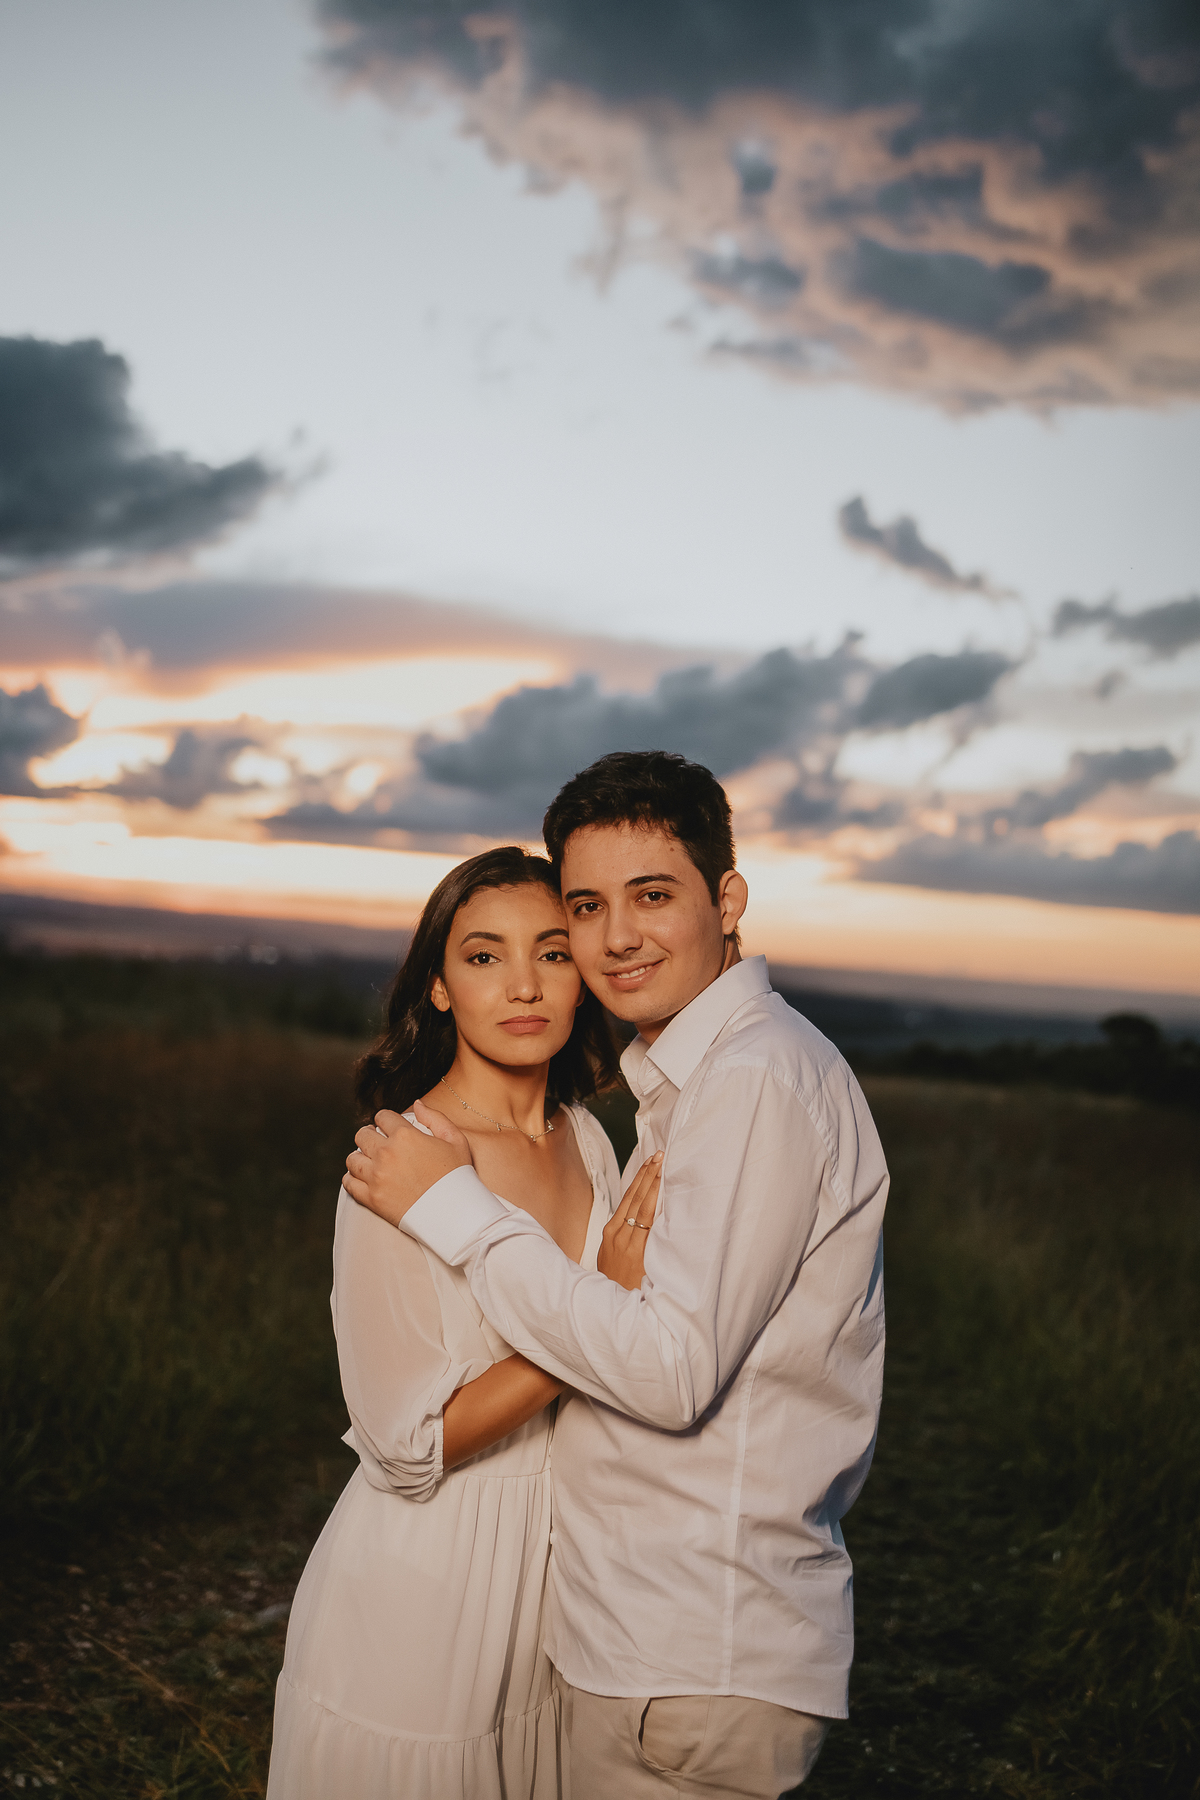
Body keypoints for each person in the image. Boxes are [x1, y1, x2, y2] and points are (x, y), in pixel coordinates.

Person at [344, 751, 890, 1800]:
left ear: (728, 899)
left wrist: (456, 1212)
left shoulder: (754, 1079)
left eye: (653, 895)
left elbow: (670, 1371)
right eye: (588, 907)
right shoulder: (683, 1087)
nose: (618, 937)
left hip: (689, 1653)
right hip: (626, 1639)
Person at [267, 845, 661, 1800]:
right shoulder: (402, 1160)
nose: (524, 985)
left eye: (553, 952)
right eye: (485, 956)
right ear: (439, 986)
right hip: (427, 1586)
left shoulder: (587, 1137)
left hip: (559, 1578)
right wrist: (596, 1320)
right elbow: (408, 1447)